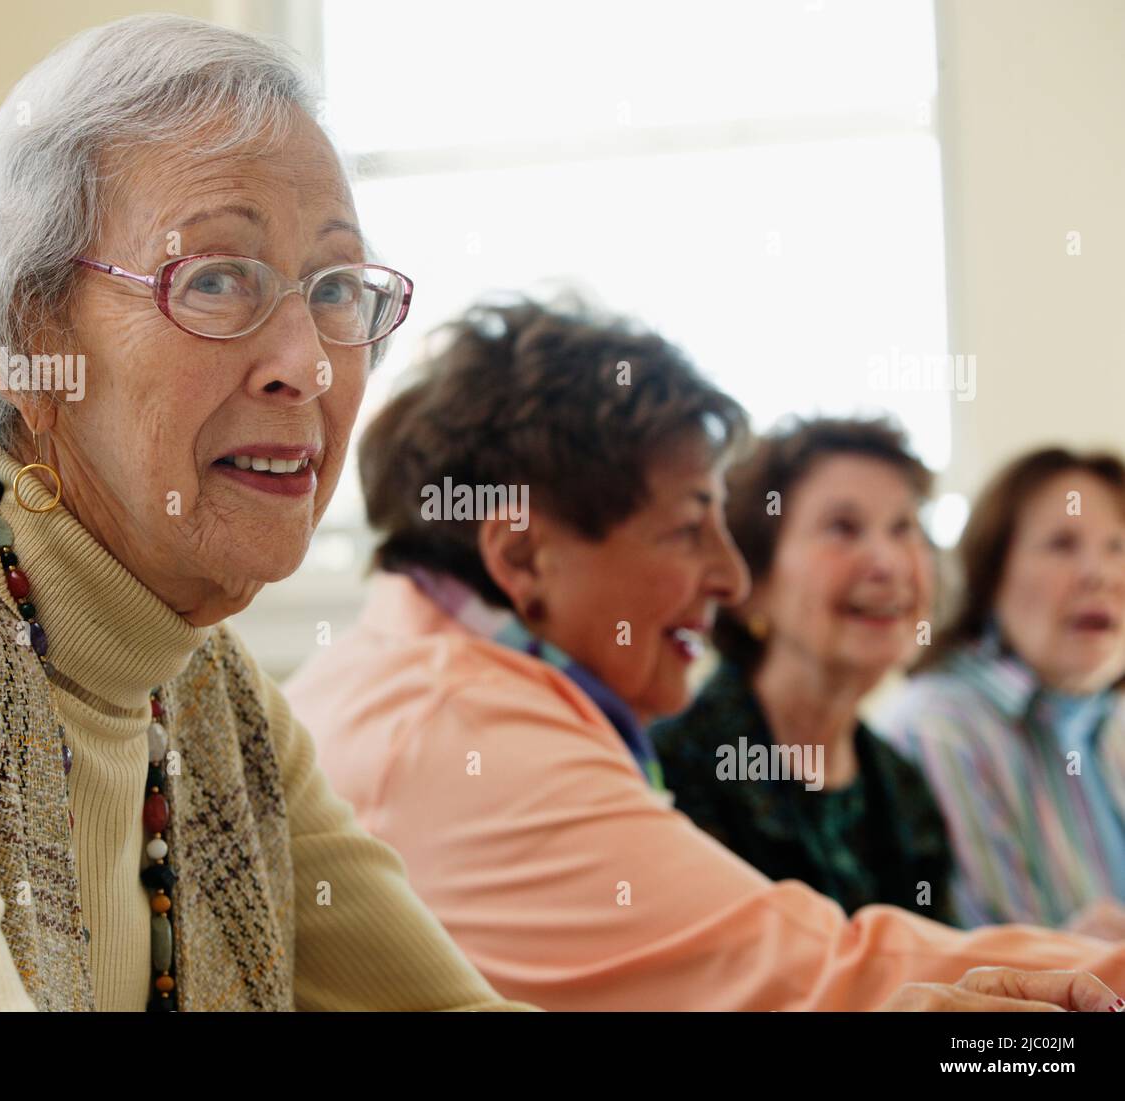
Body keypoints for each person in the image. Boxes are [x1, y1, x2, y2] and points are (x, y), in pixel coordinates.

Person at [0, 14, 530, 1012]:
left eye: (334, 288)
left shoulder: (215, 704)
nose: (308, 363)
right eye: (214, 279)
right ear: (33, 342)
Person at [285, 298, 1125, 1010]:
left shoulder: (417, 672)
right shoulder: (462, 727)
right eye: (690, 527)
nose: (728, 574)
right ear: (525, 556)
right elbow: (812, 973)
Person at [650, 417, 955, 922]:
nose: (888, 563)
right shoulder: (677, 772)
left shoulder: (904, 786)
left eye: (904, 529)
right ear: (752, 582)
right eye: (843, 528)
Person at [878, 447, 1125, 936]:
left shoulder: (1104, 717)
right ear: (990, 574)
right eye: (1061, 544)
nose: (1100, 574)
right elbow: (1014, 977)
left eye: (1117, 547)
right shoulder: (942, 726)